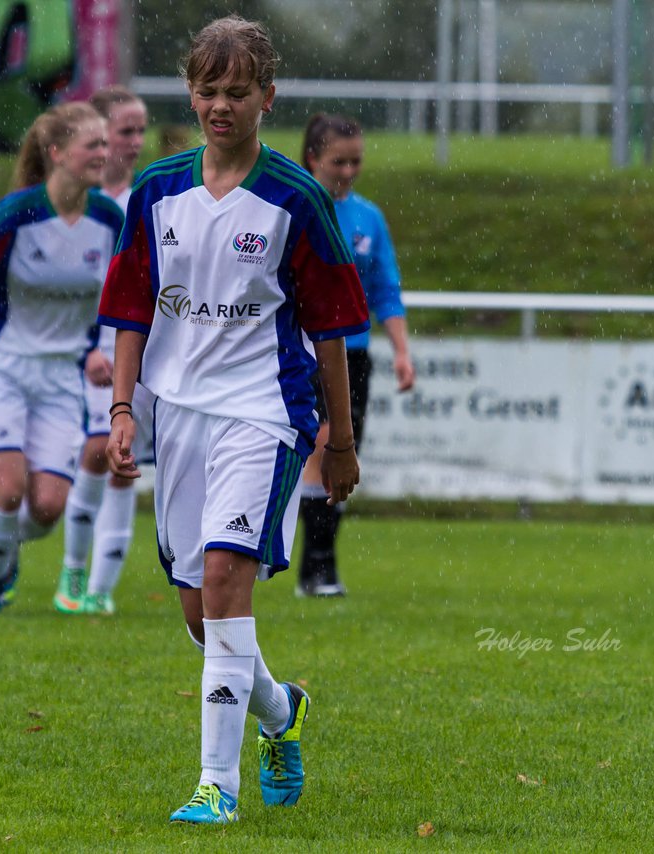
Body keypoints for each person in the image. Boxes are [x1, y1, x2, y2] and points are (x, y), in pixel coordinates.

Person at [99, 16, 369, 824]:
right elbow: (131, 310)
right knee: (198, 611)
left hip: (265, 414)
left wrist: (340, 441)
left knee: (225, 580)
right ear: (191, 91)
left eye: (238, 92)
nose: (221, 106)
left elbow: (331, 332)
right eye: (208, 91)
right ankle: (283, 711)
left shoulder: (297, 198)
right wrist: (123, 407)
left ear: (267, 97)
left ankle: (215, 785)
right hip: (177, 414)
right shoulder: (157, 190)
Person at [0, 101, 122, 616]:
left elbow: (129, 291)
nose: (104, 154)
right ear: (58, 153)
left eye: (106, 144)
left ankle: (1, 545)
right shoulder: (20, 211)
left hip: (64, 377)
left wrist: (100, 351)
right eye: (94, 145)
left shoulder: (108, 218)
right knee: (9, 490)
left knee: (46, 508)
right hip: (2, 369)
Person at [295, 114, 416, 597]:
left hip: (355, 354)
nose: (348, 171)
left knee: (344, 454)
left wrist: (402, 351)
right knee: (322, 443)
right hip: (302, 351)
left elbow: (386, 288)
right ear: (312, 159)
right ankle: (315, 564)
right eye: (338, 161)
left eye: (356, 161)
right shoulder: (295, 208)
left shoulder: (369, 217)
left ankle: (316, 566)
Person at [55, 86, 150, 616]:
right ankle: (72, 568)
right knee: (97, 451)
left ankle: (102, 587)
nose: (135, 142)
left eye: (141, 131)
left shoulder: (149, 200)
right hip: (90, 358)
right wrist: (88, 345)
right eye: (125, 131)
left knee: (123, 464)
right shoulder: (78, 207)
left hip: (136, 358)